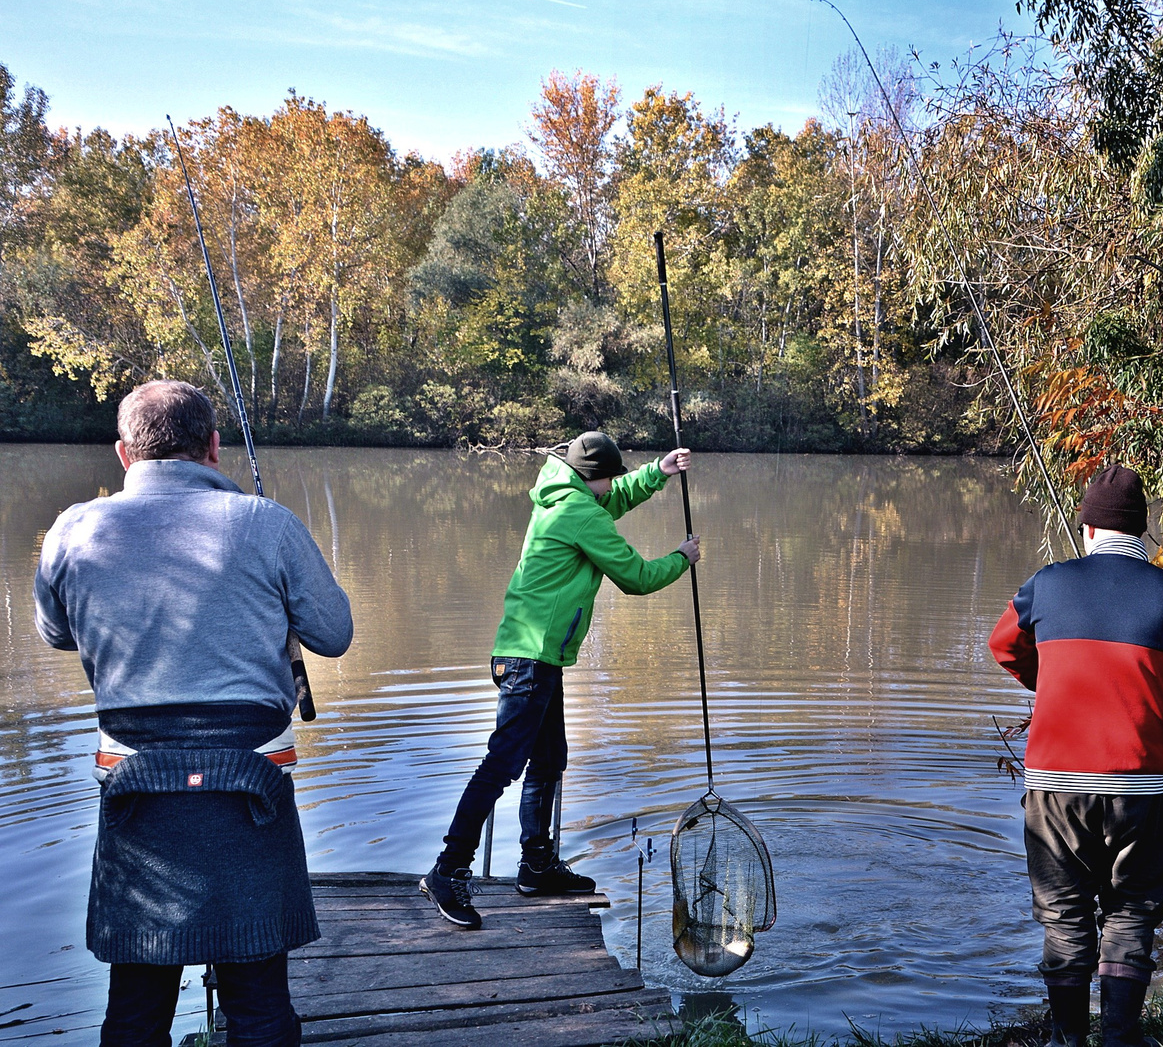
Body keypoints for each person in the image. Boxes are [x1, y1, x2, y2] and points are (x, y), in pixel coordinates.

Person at [33, 380, 353, 1047]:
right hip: (251, 789)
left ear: (124, 454)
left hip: (136, 791)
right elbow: (334, 634)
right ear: (213, 446)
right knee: (260, 1001)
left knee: (136, 1005)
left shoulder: (72, 529)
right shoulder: (267, 522)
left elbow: (55, 633)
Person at [421, 430, 700, 929]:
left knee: (548, 760)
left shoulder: (565, 496)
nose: (614, 486)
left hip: (533, 655)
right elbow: (636, 577)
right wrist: (682, 558)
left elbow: (613, 498)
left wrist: (659, 473)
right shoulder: (579, 512)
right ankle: (447, 871)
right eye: (610, 478)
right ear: (593, 478)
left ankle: (536, 866)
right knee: (502, 765)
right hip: (530, 659)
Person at [988, 466, 1163, 1047]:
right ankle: (1120, 1038)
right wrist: (1143, 710)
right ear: (1142, 534)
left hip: (1055, 789)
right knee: (1131, 911)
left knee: (1065, 914)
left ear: (1088, 529)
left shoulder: (1047, 584)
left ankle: (1068, 1039)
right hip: (1139, 790)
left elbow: (1002, 646)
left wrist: (1052, 684)